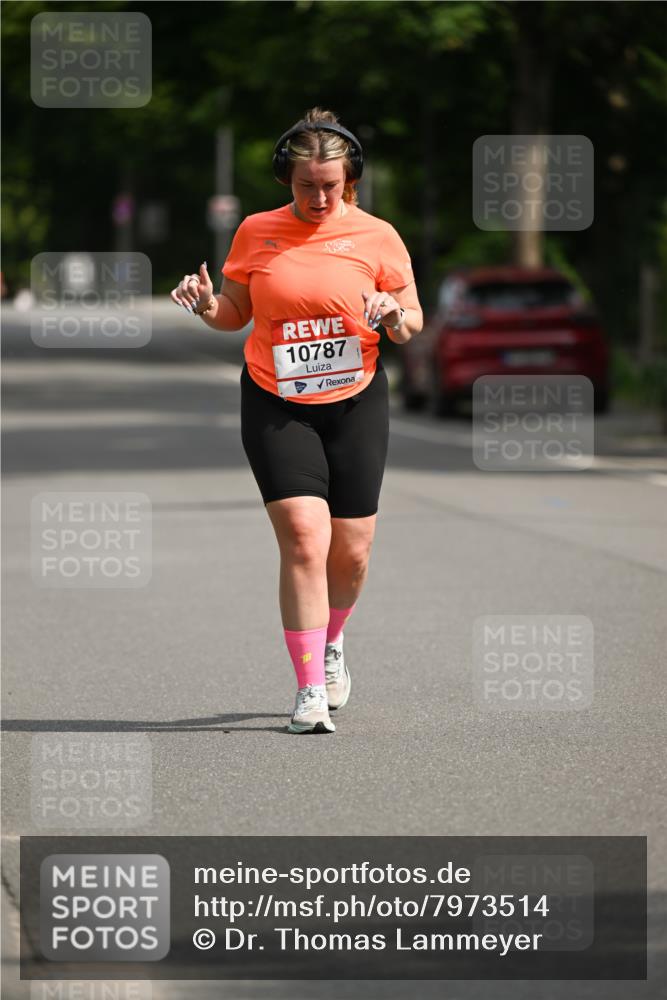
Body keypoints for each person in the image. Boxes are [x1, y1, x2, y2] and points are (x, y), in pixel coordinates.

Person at [171, 107, 423, 734]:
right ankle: (310, 689)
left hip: (357, 399)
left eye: (330, 186)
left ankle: (334, 640)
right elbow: (236, 312)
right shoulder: (257, 232)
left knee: (353, 549)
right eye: (306, 184)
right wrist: (207, 305)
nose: (318, 197)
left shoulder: (378, 237)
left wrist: (391, 313)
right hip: (275, 400)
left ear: (351, 181)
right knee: (306, 539)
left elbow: (411, 324)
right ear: (287, 178)